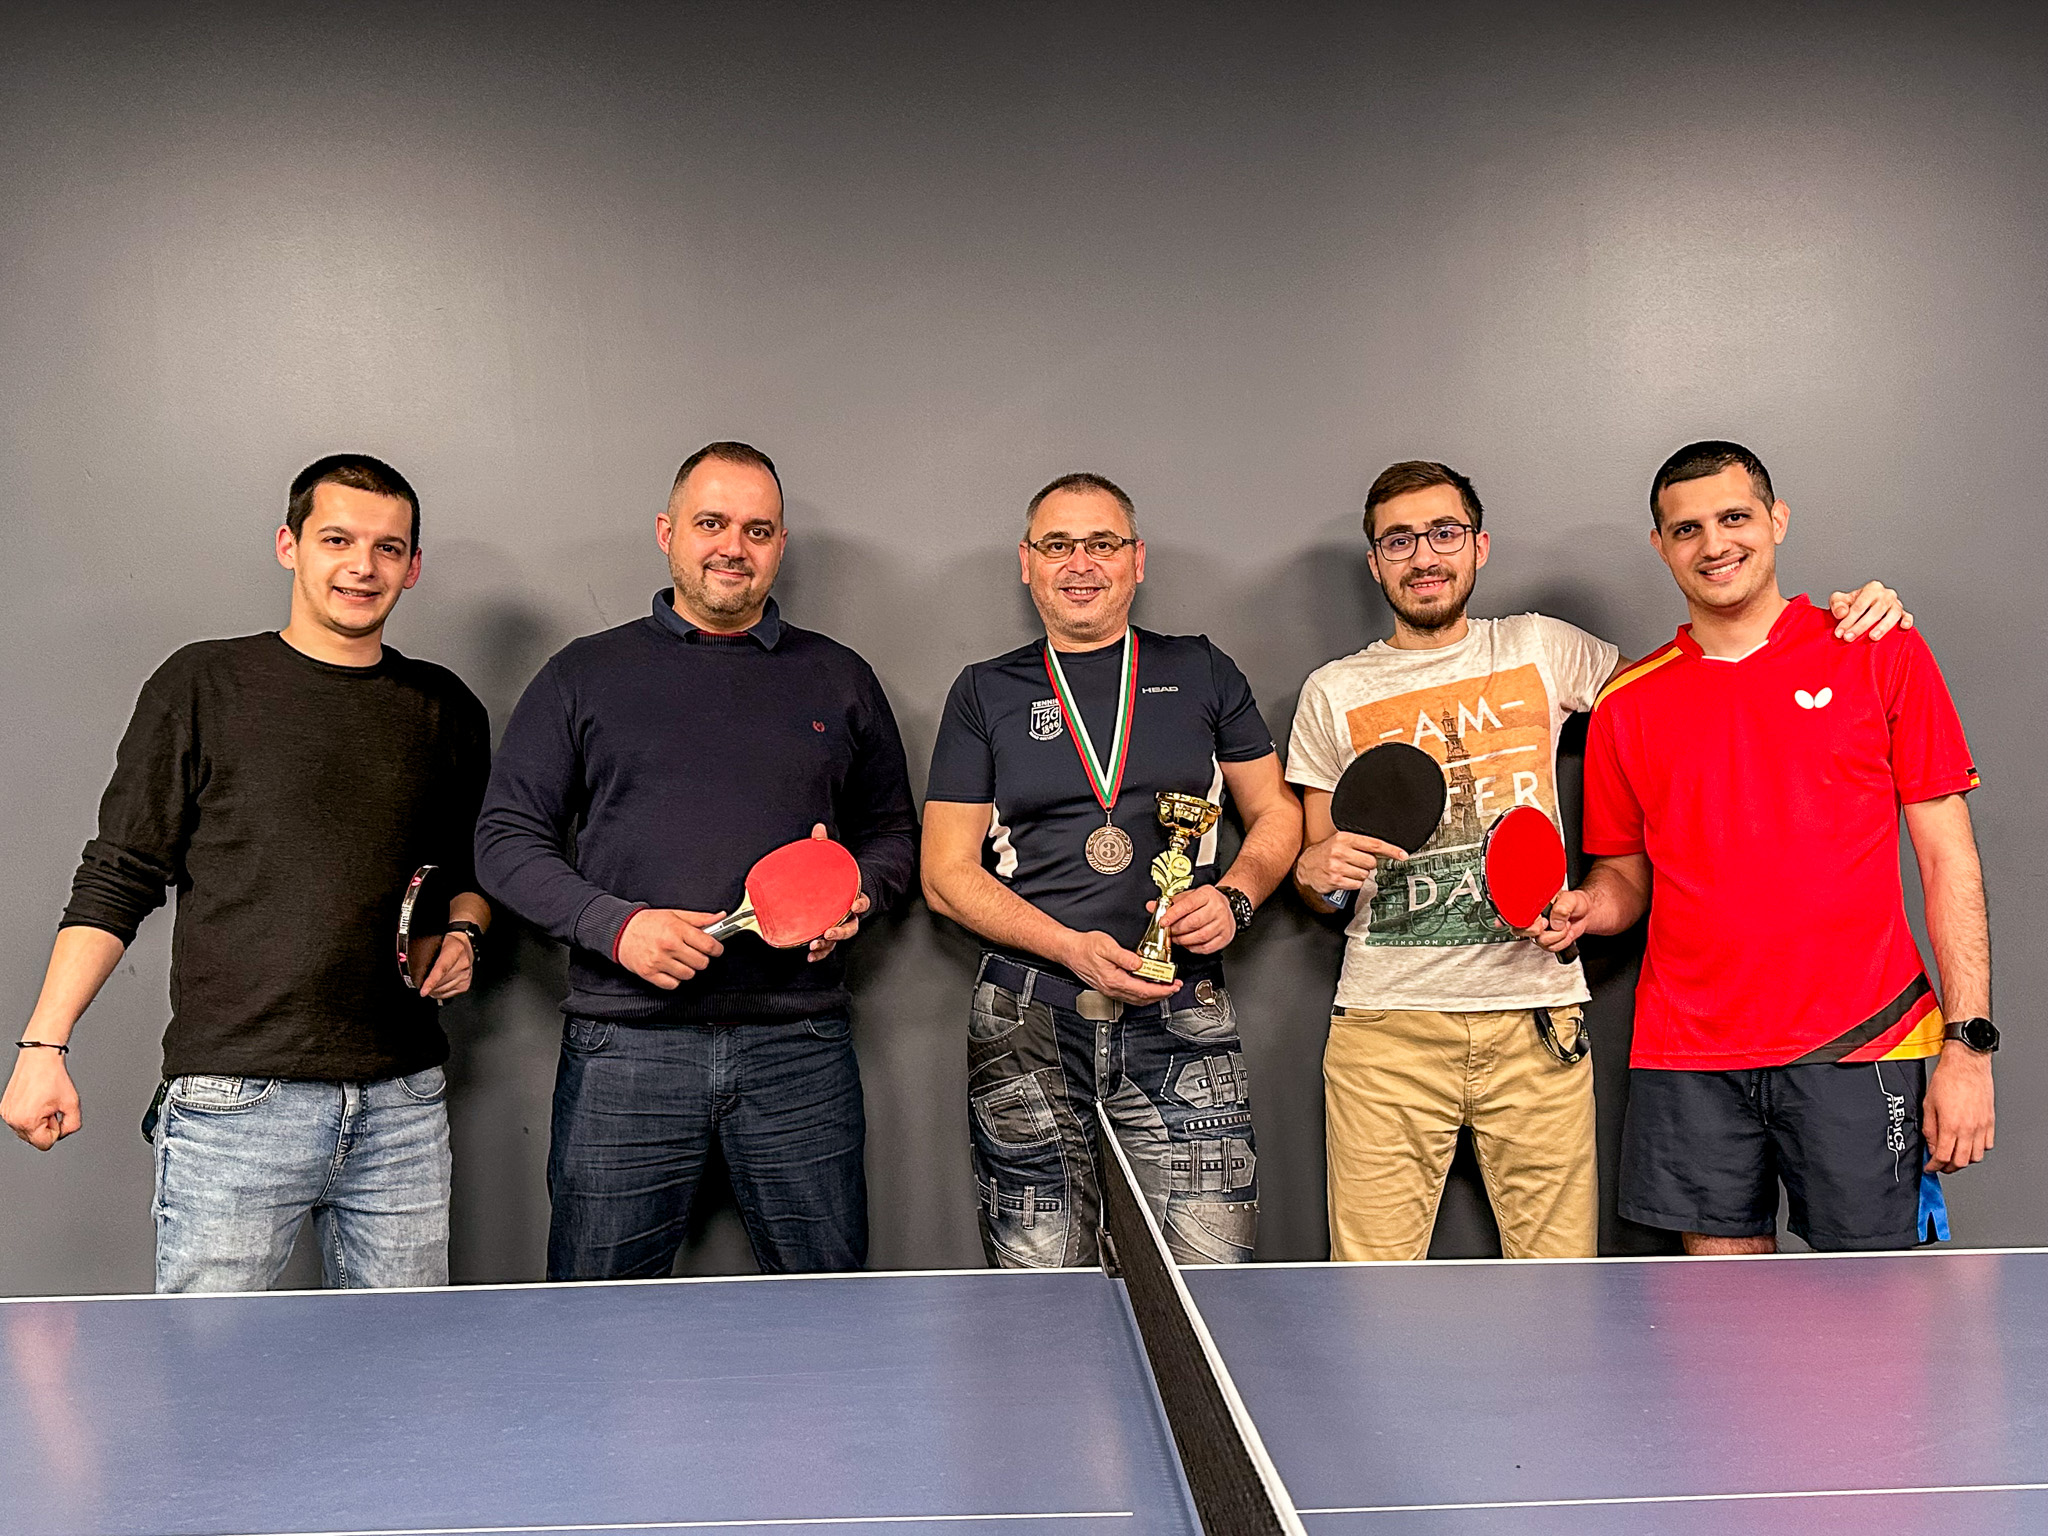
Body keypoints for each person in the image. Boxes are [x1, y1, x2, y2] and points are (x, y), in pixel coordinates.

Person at [1288, 459, 1913, 1260]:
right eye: (1399, 541)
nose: (1424, 556)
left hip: (1538, 1021)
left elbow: (1689, 689)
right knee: (1366, 1287)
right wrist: (1315, 875)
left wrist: (1836, 624)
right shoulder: (1331, 691)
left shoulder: (1544, 645)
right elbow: (1318, 874)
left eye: (1444, 533)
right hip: (1386, 1028)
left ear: (1479, 547)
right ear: (1375, 562)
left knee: (1563, 1289)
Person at [2, 454, 491, 1292]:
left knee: (407, 1385)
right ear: (288, 544)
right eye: (337, 539)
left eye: (387, 547)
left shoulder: (444, 707)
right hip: (238, 1104)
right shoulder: (204, 683)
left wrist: (468, 933)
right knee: (211, 1378)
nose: (360, 566)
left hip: (403, 1106)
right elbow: (120, 873)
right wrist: (43, 1045)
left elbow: (468, 869)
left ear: (413, 567)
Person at [1536, 440, 1993, 1253]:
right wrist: (1588, 908)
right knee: (1722, 1331)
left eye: (1735, 517)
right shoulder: (1627, 703)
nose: (1714, 545)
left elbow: (1949, 861)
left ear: (1777, 520)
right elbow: (1625, 877)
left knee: (1873, 1321)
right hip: (1688, 1054)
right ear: (1660, 546)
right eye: (1687, 530)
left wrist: (1969, 1045)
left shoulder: (1878, 649)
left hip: (1861, 1041)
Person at [475, 441, 916, 1280]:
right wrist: (617, 926)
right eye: (711, 523)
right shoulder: (583, 675)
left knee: (830, 1317)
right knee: (596, 1324)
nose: (733, 547)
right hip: (626, 1048)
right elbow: (504, 841)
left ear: (780, 545)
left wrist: (857, 894)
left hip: (801, 1046)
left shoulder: (840, 677)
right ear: (667, 532)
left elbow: (893, 836)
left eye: (757, 529)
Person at [922, 472, 1302, 1266]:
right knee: (1041, 1284)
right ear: (1027, 562)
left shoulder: (1199, 668)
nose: (1080, 563)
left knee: (1211, 1280)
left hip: (1182, 1008)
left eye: (1102, 543)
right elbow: (944, 872)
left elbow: (1276, 813)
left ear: (1137, 560)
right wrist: (1068, 947)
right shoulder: (985, 690)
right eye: (1058, 545)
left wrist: (1236, 896)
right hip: (1028, 1016)